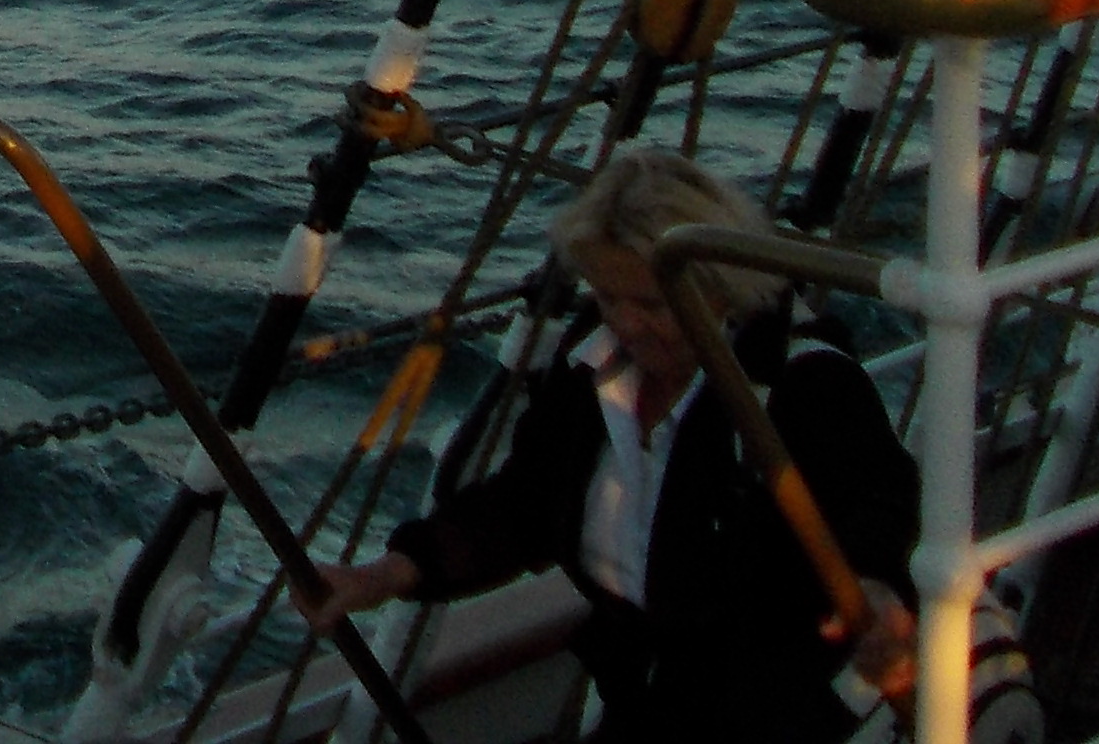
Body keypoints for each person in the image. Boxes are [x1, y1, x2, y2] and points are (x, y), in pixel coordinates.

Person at [293, 147, 918, 742]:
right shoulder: (594, 365)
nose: (625, 323)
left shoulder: (803, 385)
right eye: (608, 296)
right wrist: (388, 574)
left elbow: (881, 510)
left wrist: (879, 590)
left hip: (782, 714)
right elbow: (529, 500)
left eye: (650, 303)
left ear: (722, 286)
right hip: (648, 702)